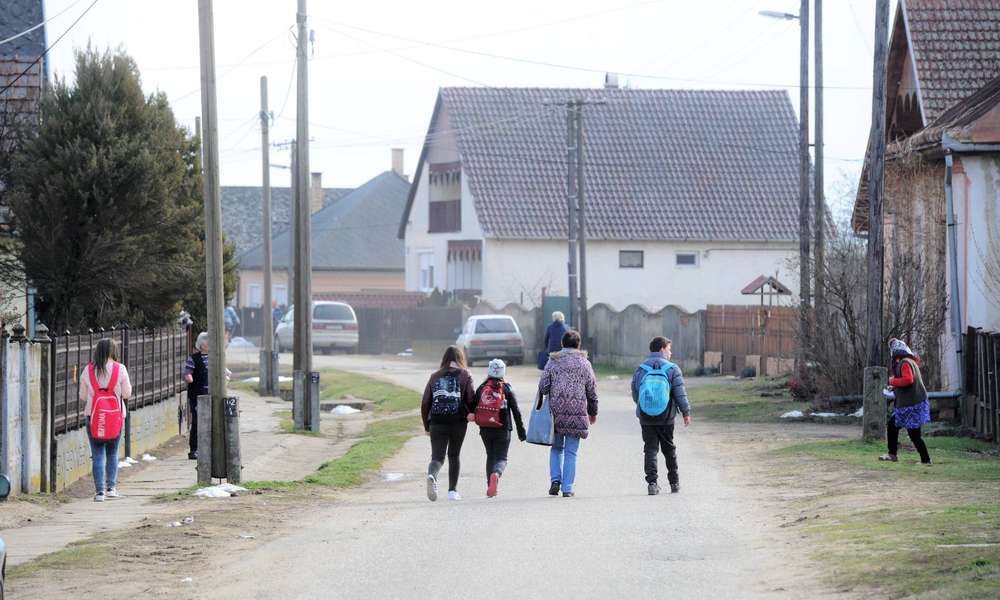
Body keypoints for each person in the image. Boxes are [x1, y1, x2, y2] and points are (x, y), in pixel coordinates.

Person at [538, 330, 598, 497]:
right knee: (571, 452)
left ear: (562, 344)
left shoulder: (553, 362)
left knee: (556, 448)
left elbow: (543, 387)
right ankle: (568, 488)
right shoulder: (585, 364)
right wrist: (592, 412)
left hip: (555, 413)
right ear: (579, 345)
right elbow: (592, 391)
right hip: (577, 413)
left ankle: (555, 480)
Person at [631, 336, 691, 495]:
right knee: (669, 448)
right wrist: (686, 412)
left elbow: (635, 392)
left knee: (650, 449)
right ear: (662, 348)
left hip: (646, 416)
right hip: (666, 416)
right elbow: (680, 394)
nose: (670, 352)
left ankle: (652, 483)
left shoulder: (641, 368)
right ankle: (674, 482)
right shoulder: (672, 369)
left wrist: (644, 405)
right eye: (669, 349)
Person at [79, 338, 132, 502]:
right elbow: (127, 393)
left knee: (97, 454)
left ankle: (99, 492)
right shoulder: (120, 369)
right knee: (112, 452)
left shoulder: (88, 370)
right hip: (115, 417)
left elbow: (82, 396)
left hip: (93, 417)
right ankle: (111, 488)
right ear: (112, 351)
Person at [421, 345, 476, 501]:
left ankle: (432, 475)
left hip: (437, 421)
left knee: (437, 457)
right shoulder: (465, 375)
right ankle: (452, 491)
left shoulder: (435, 376)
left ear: (444, 359)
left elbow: (425, 403)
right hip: (458, 420)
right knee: (454, 454)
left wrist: (427, 425)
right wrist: (472, 412)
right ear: (460, 358)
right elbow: (471, 398)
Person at [468, 359, 526, 498]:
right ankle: (496, 474)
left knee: (490, 455)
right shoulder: (507, 388)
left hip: (485, 428)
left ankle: (490, 486)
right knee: (501, 458)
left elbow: (472, 406)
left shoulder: (482, 388)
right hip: (503, 428)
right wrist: (521, 432)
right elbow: (516, 411)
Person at [879, 338, 932, 465]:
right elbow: (907, 382)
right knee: (898, 429)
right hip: (912, 403)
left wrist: (892, 381)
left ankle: (924, 460)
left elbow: (908, 380)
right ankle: (922, 459)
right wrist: (895, 387)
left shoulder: (904, 363)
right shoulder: (909, 361)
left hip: (910, 405)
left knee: (910, 433)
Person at [183, 332, 210, 460]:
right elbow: (187, 371)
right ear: (201, 344)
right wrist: (188, 376)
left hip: (212, 394)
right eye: (207, 341)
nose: (209, 343)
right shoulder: (193, 358)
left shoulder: (215, 357)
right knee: (197, 421)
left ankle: (209, 448)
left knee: (212, 421)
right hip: (197, 395)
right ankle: (194, 449)